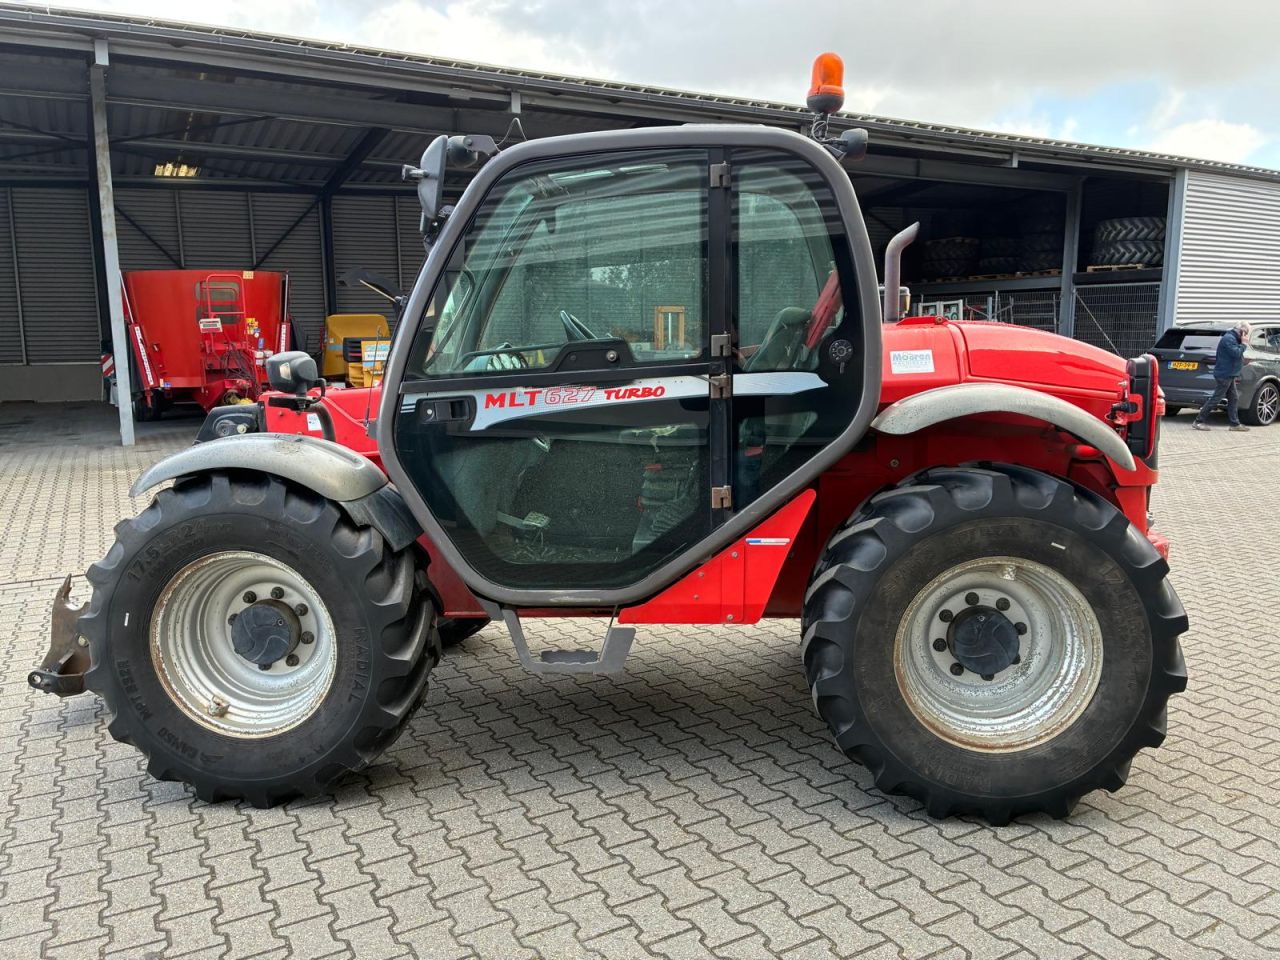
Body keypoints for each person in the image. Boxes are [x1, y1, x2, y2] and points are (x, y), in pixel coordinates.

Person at [1193, 321, 1251, 432]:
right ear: (1242, 331)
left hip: (1230, 374)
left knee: (1233, 398)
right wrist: (1244, 344)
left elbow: (1235, 355)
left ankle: (1234, 424)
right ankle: (1198, 421)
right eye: (1246, 333)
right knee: (1216, 398)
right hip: (1225, 374)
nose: (1247, 336)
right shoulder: (1229, 339)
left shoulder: (1233, 338)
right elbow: (1236, 353)